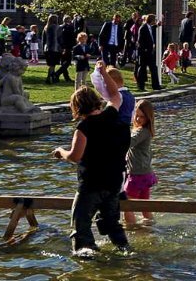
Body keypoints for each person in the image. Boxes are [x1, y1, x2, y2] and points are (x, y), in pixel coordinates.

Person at [52, 63, 131, 254]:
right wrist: (104, 73)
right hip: (113, 182)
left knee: (81, 225)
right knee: (112, 223)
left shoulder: (84, 128)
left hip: (91, 184)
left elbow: (75, 156)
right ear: (96, 100)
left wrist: (61, 152)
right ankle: (125, 250)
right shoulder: (113, 116)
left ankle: (85, 259)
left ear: (77, 107)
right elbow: (115, 95)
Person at [123, 99, 158, 227]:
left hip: (137, 175)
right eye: (136, 115)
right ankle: (150, 227)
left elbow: (129, 142)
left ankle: (131, 229)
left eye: (142, 117)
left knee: (127, 205)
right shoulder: (146, 131)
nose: (138, 119)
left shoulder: (142, 132)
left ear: (148, 118)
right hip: (146, 173)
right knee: (145, 206)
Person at [136, 14, 162, 91]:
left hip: (150, 52)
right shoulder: (143, 28)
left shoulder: (149, 27)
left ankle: (156, 86)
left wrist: (157, 25)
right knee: (142, 69)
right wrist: (145, 49)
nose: (155, 21)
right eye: (154, 20)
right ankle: (141, 86)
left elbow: (152, 29)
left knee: (154, 68)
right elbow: (140, 40)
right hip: (144, 52)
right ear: (151, 20)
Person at [54, 15, 75, 83]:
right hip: (66, 47)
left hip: (62, 46)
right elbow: (70, 37)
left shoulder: (60, 27)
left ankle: (66, 77)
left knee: (63, 63)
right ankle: (57, 73)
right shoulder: (69, 27)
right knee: (67, 62)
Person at [42, 14, 61, 84]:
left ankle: (52, 77)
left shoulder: (46, 27)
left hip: (47, 48)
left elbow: (43, 39)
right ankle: (49, 77)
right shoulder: (57, 27)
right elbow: (59, 38)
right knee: (53, 64)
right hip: (55, 48)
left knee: (51, 64)